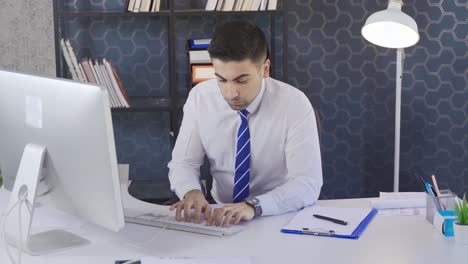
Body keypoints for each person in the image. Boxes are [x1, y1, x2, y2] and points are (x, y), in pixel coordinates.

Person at [168, 20, 322, 227]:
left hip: (276, 214)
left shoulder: (294, 104)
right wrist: (191, 191)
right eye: (221, 80)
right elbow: (184, 163)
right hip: (219, 213)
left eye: (241, 81)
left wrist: (253, 206)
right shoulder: (200, 98)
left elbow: (307, 183)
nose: (231, 93)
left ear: (265, 69)